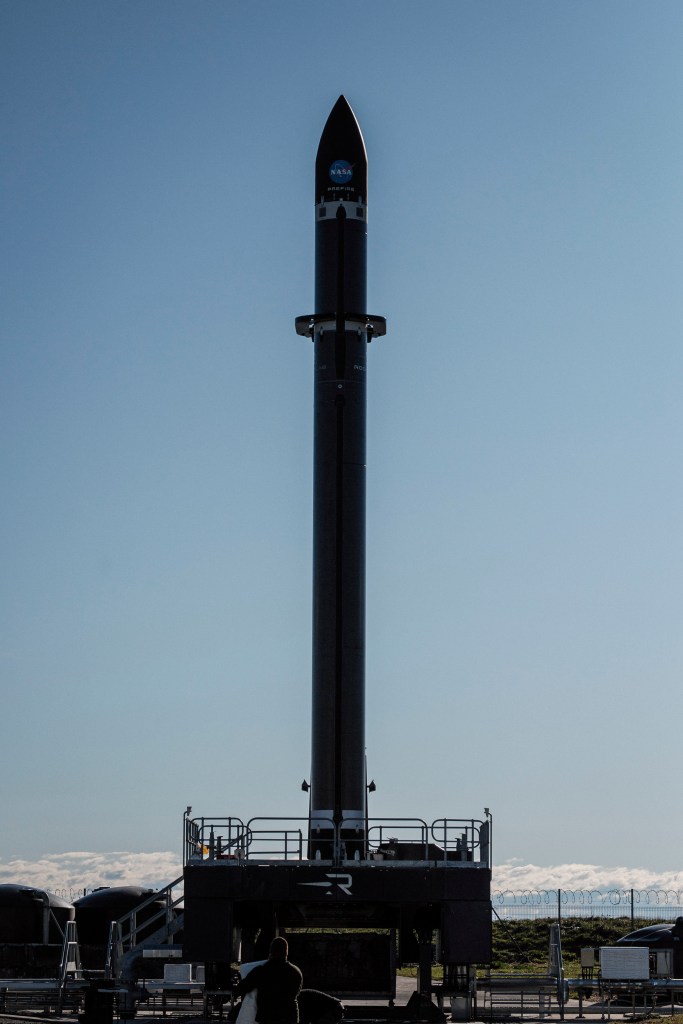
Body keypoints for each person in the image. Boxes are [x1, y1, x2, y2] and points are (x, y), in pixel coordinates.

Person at [239, 936, 303, 1024]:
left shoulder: (261, 971)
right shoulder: (296, 971)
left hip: (268, 1018)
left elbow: (242, 988)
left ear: (271, 952)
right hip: (290, 1017)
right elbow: (297, 993)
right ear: (286, 952)